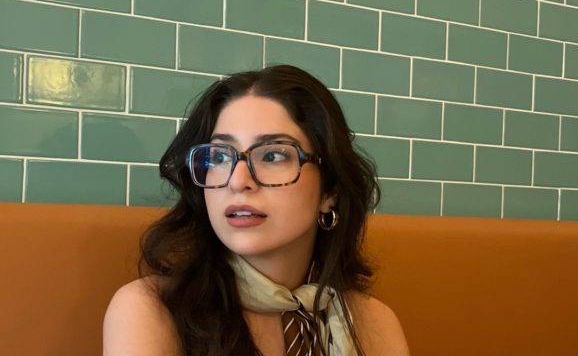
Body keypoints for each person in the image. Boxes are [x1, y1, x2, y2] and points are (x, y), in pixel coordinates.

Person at [103, 65, 410, 355]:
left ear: (330, 192)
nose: (238, 181)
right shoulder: (152, 309)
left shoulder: (373, 322)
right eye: (219, 157)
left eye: (274, 155)